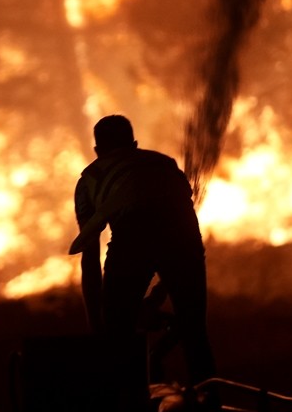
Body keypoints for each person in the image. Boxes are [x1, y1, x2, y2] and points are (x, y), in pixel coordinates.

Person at [69, 115, 216, 389]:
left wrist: (98, 330)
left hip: (132, 234)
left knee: (118, 334)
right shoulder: (165, 164)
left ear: (98, 152)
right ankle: (210, 407)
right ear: (134, 144)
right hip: (183, 233)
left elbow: (90, 260)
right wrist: (160, 295)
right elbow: (185, 241)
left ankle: (127, 408)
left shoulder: (89, 179)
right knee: (195, 331)